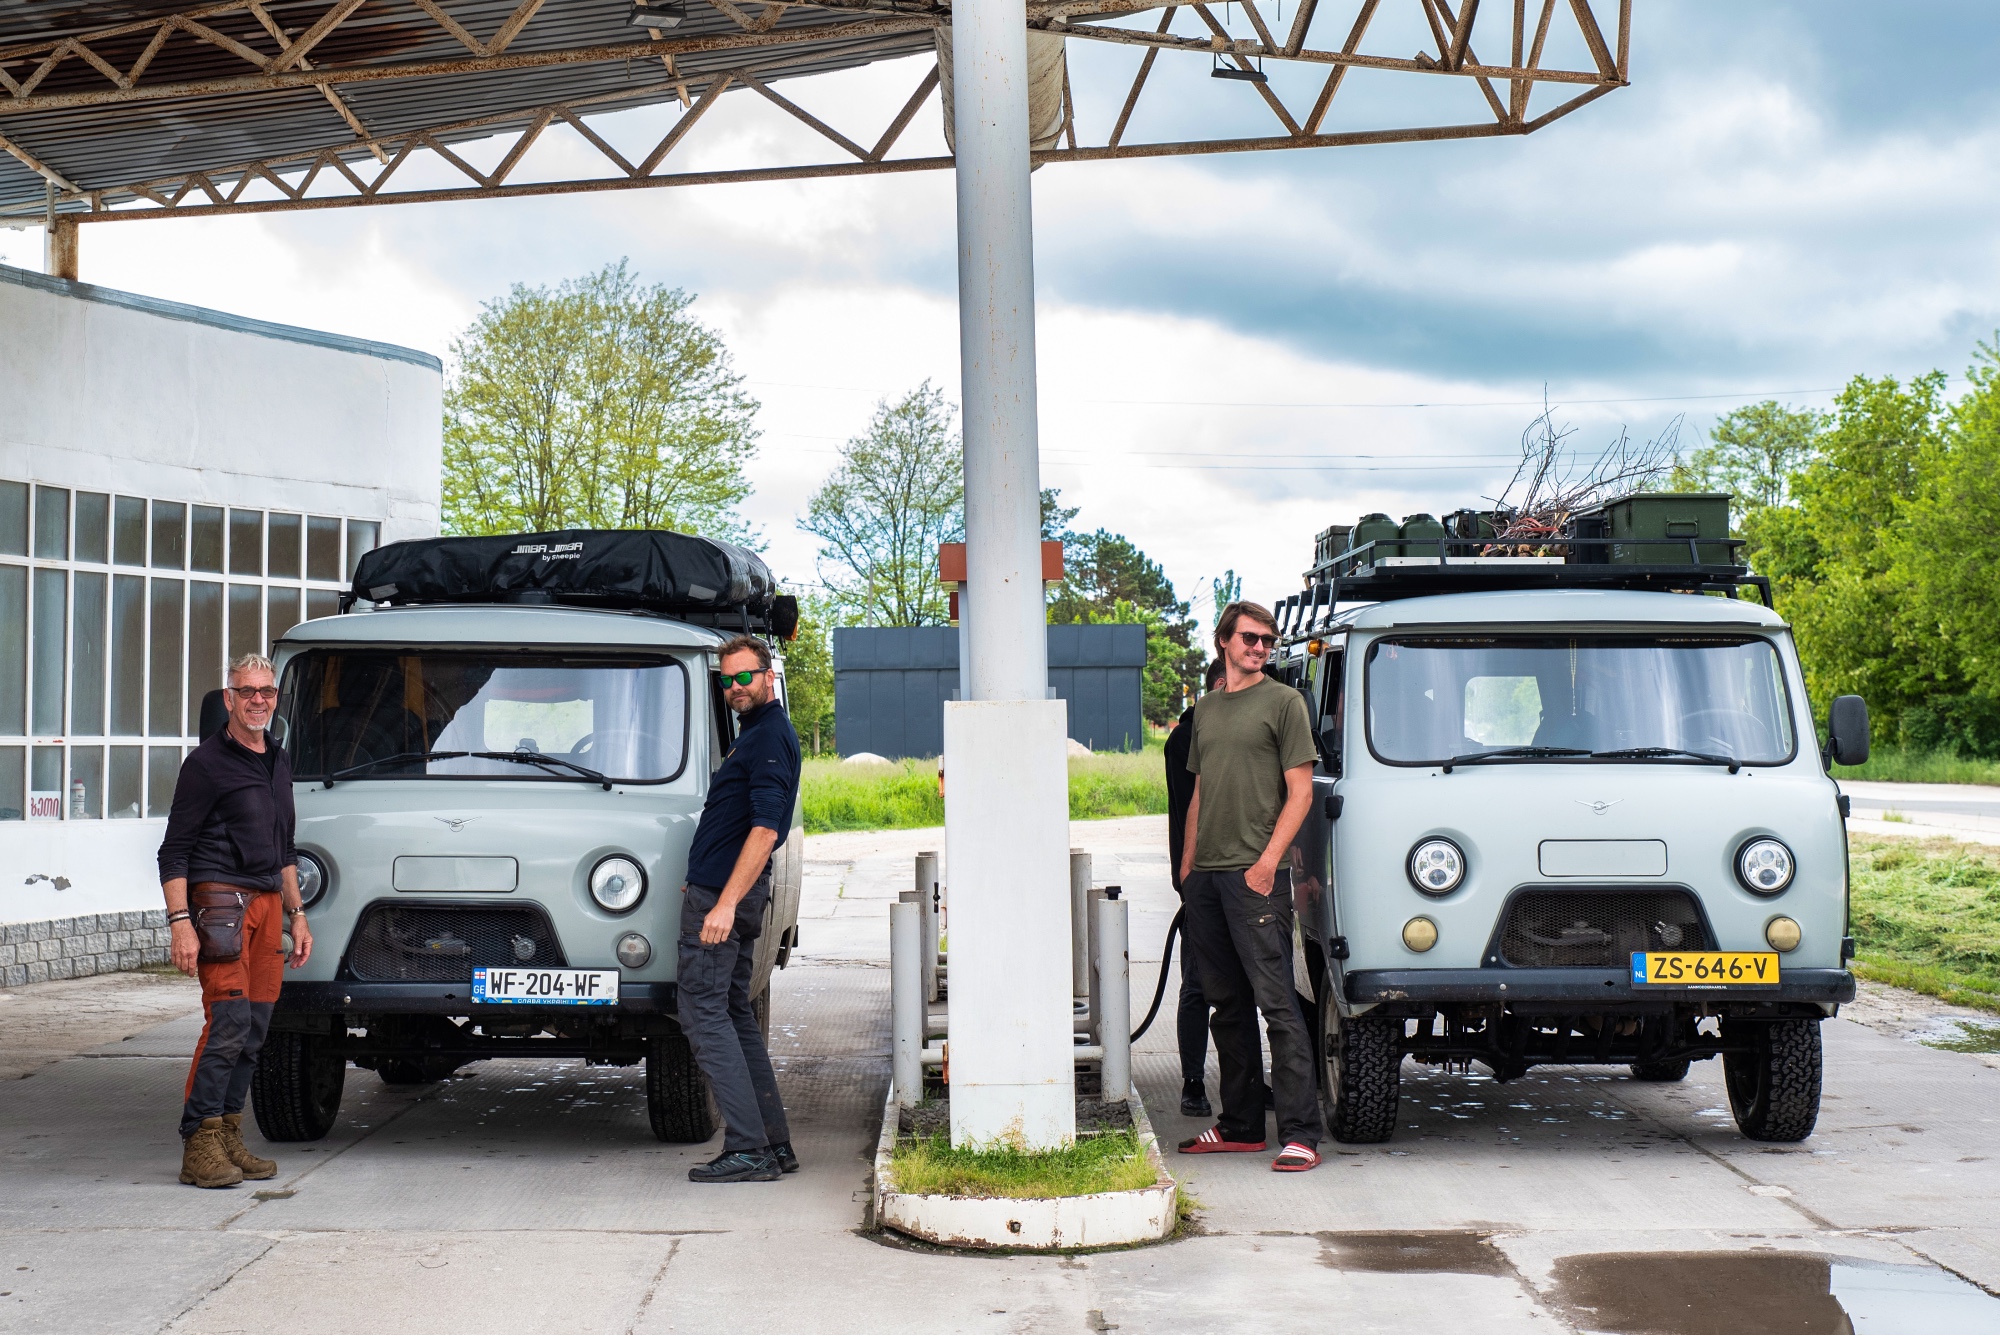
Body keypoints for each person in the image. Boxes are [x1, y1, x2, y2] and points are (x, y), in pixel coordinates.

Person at [1177, 602, 1325, 1172]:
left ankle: (1301, 1133)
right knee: (1225, 1006)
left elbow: (1302, 793)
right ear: (1223, 642)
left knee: (1277, 1006)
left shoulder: (1284, 704)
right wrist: (1189, 869)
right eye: (1250, 638)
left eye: (1267, 640)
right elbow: (1199, 793)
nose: (1260, 647)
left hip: (1256, 877)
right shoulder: (1208, 708)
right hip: (1208, 880)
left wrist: (1267, 865)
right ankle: (1240, 1125)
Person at [158, 653, 313, 1189]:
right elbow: (173, 851)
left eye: (266, 692)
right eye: (247, 691)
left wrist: (299, 915)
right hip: (220, 904)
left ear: (275, 698)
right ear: (228, 698)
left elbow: (286, 849)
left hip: (270, 904)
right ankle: (198, 1142)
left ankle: (228, 1134)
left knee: (255, 1029)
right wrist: (180, 922)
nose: (257, 700)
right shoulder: (205, 764)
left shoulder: (279, 758)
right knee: (226, 1024)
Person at [678, 634, 803, 1183]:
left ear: (768, 676)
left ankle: (749, 1148)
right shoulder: (755, 734)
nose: (735, 688)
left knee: (703, 1014)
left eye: (745, 676)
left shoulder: (770, 738)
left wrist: (723, 902)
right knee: (731, 1013)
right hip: (721, 893)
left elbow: (766, 827)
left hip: (724, 902)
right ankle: (773, 1145)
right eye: (726, 680)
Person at [1165, 657, 1228, 1117]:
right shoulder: (1189, 736)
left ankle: (1241, 1084)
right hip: (1202, 876)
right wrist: (1189, 877)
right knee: (1199, 986)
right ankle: (1193, 1083)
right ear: (1221, 684)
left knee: (1241, 989)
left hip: (1242, 874)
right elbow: (1193, 809)